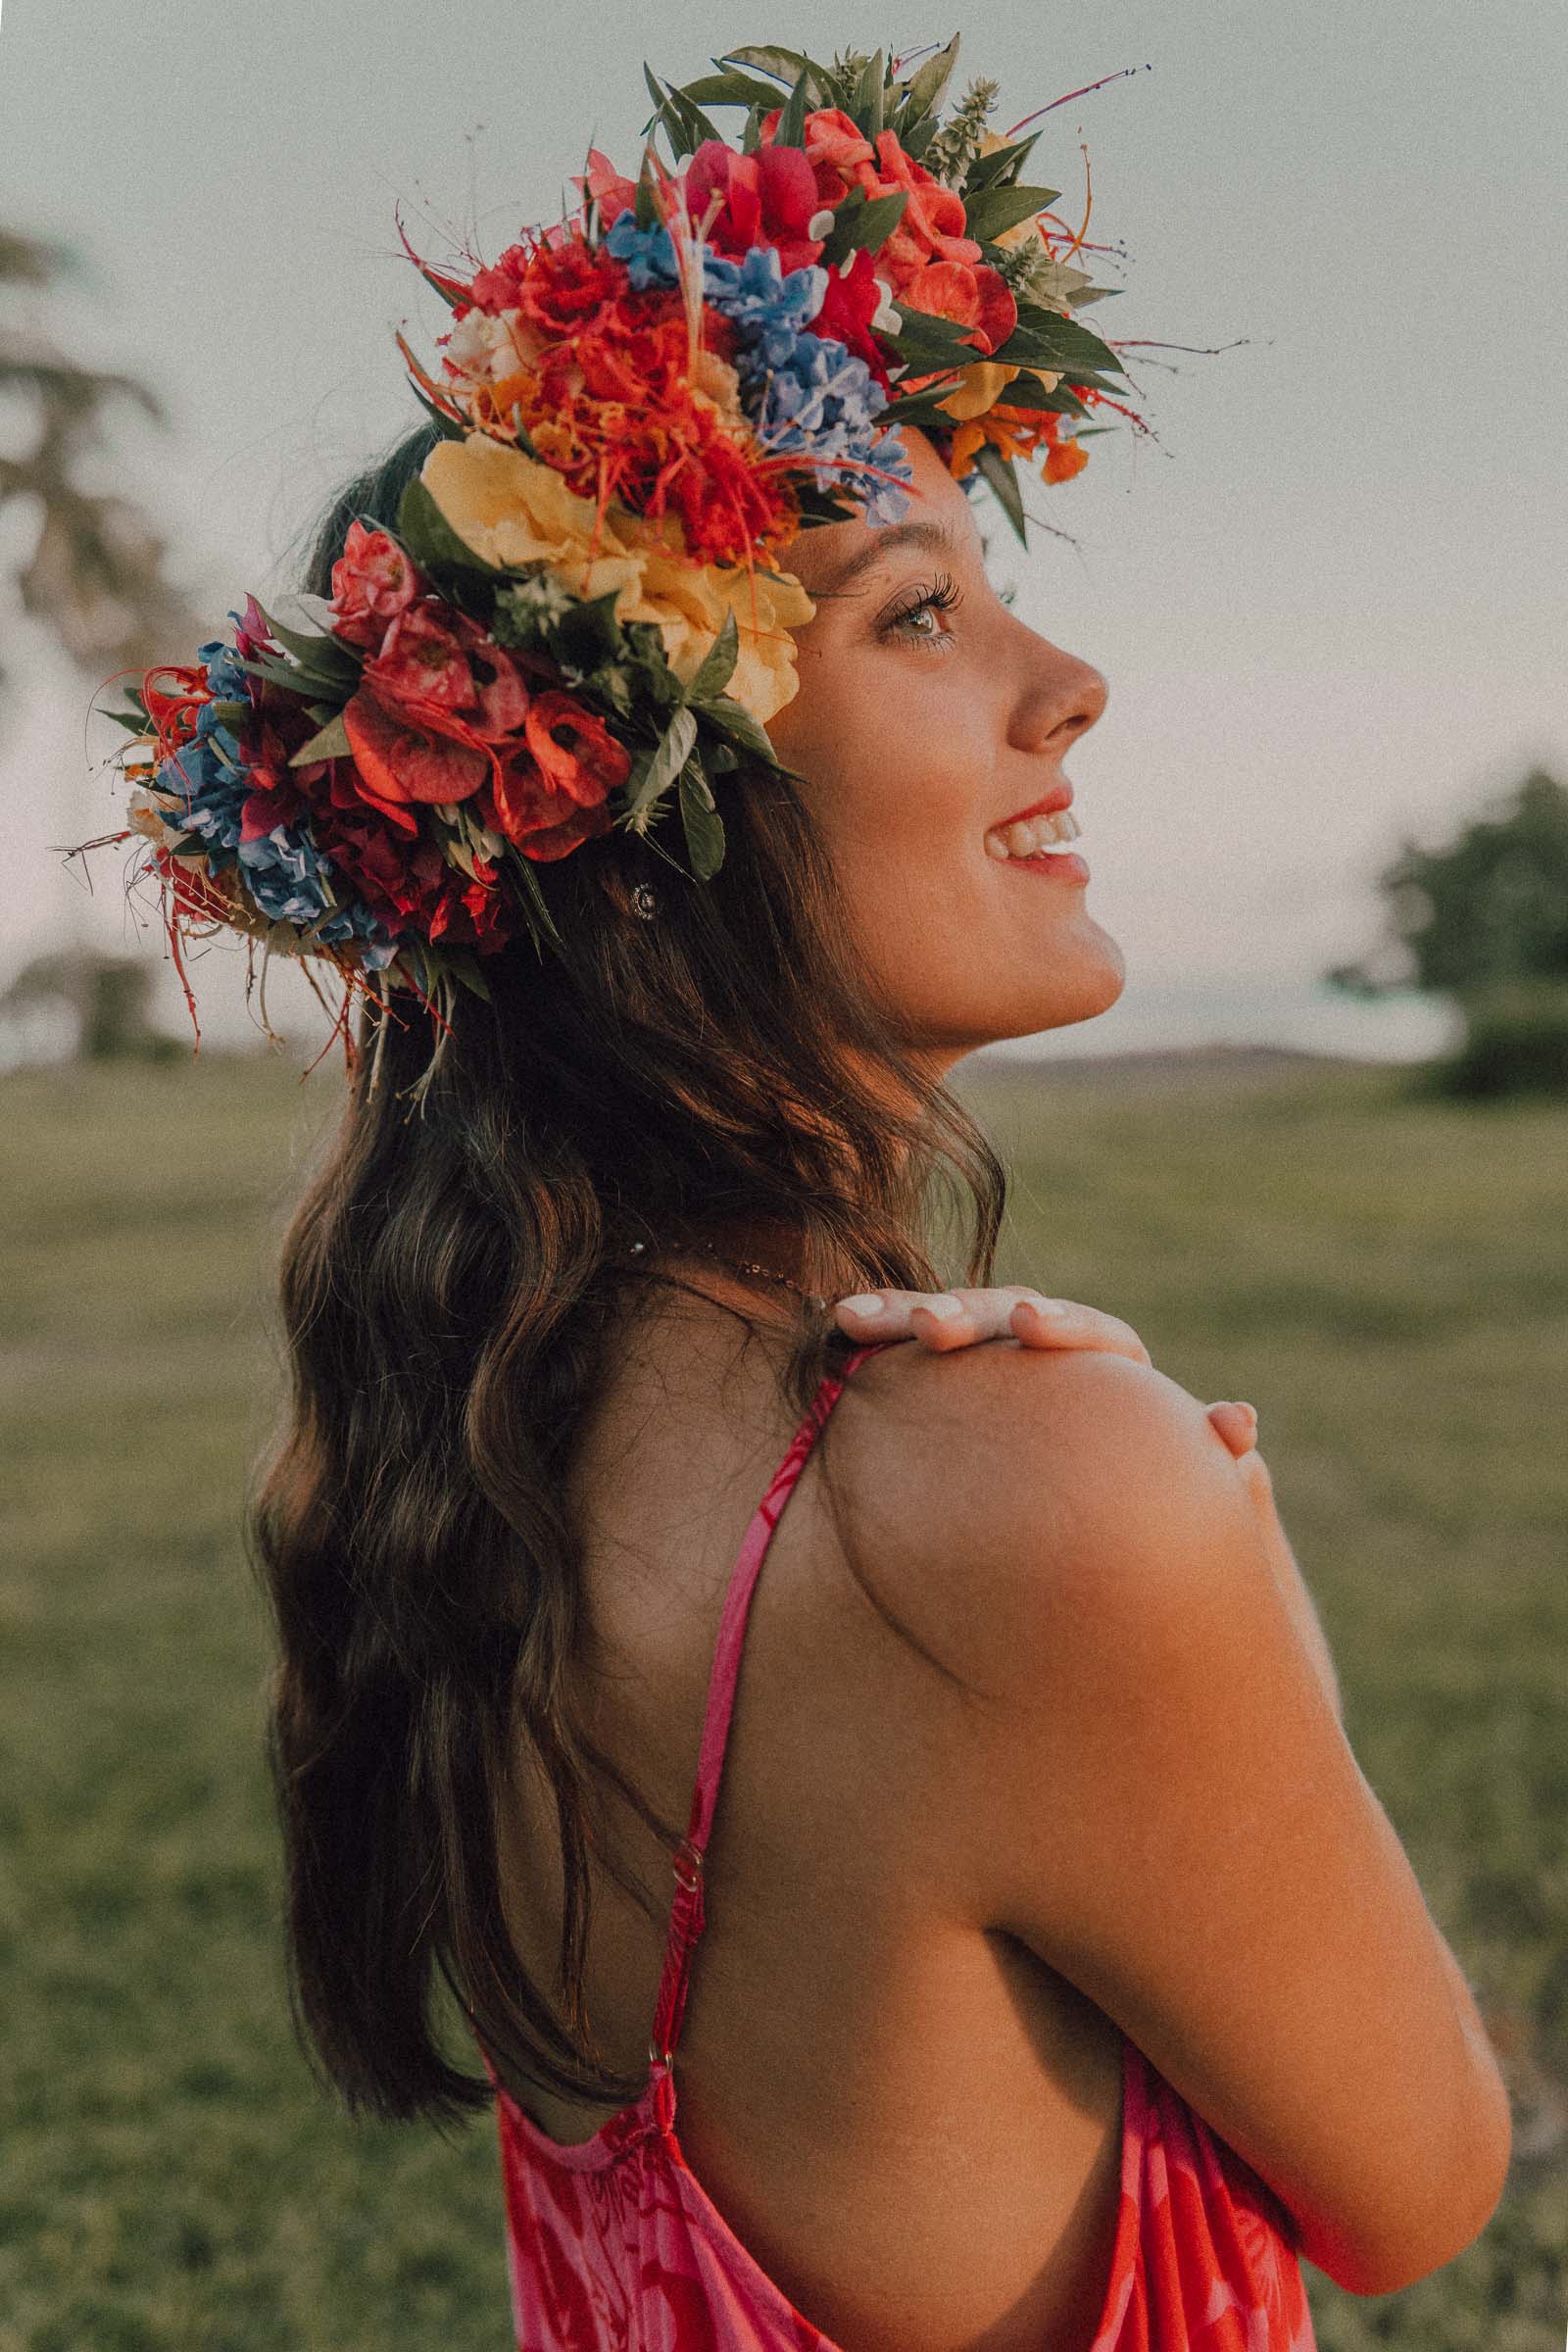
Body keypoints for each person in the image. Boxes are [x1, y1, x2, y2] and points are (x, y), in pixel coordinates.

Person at [97, 41, 1511, 2348]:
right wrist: (1212, 1529)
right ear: (655, 824)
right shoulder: (1031, 1498)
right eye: (917, 617)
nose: (1069, 688)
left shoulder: (487, 1443)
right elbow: (1421, 2179)